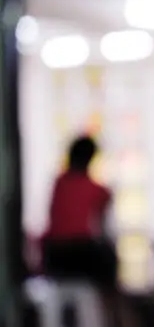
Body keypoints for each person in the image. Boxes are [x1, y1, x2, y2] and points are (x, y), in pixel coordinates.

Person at [41, 136, 122, 326]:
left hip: (53, 255)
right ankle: (115, 315)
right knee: (109, 257)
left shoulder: (58, 183)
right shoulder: (97, 189)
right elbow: (102, 226)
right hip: (79, 254)